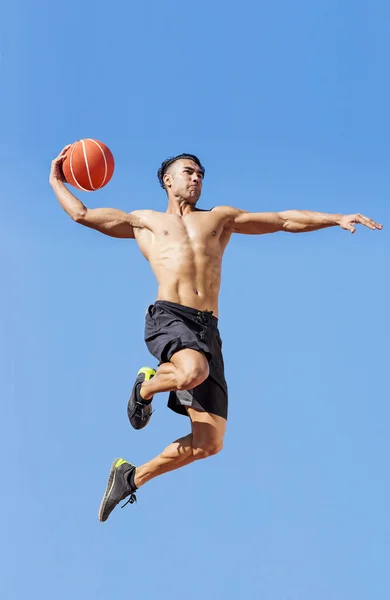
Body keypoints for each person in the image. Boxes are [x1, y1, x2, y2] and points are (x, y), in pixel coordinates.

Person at [49, 147, 382, 522]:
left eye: (201, 175)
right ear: (167, 180)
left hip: (208, 330)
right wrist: (56, 179)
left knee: (210, 443)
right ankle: (142, 391)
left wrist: (336, 218)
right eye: (188, 172)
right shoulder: (144, 221)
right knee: (192, 371)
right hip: (170, 317)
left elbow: (283, 220)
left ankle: (131, 476)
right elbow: (82, 214)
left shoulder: (219, 219)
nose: (196, 179)